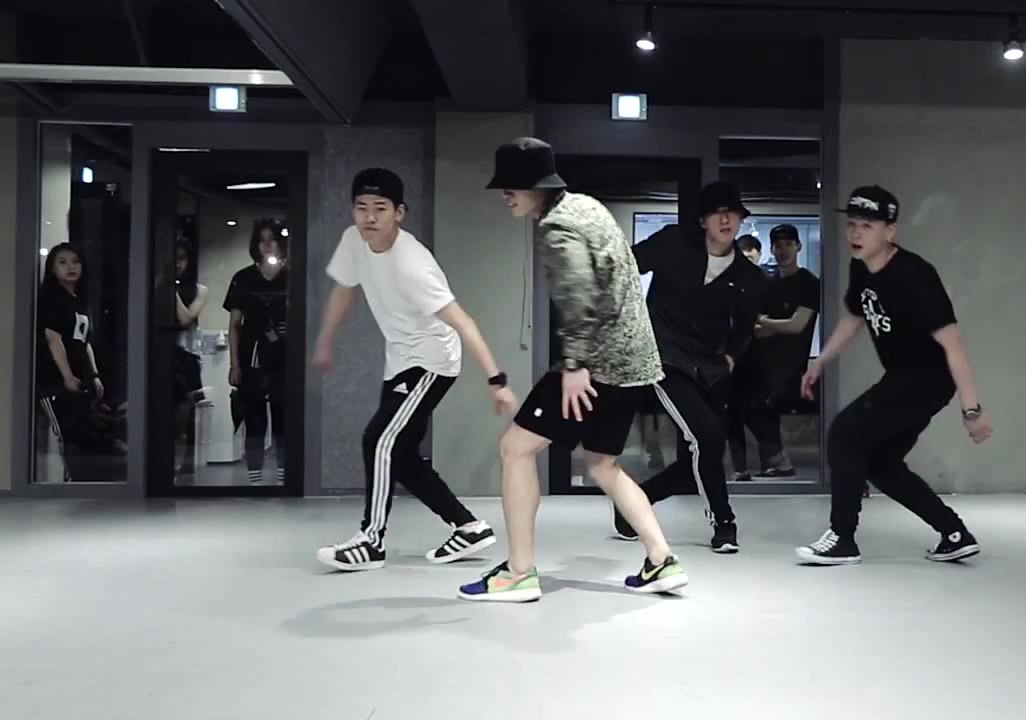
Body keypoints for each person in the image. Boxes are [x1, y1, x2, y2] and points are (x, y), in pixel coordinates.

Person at [458, 137, 687, 602]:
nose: (505, 196)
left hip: (596, 365)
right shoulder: (587, 206)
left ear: (535, 186)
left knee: (515, 449)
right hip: (634, 365)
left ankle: (519, 572)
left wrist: (575, 364)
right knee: (602, 464)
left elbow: (579, 295)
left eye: (511, 187)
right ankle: (661, 559)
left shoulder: (559, 226)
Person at [312, 168, 511, 572]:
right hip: (401, 359)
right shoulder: (354, 240)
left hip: (432, 360)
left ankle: (371, 541)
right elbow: (343, 290)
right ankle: (469, 527)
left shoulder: (413, 265)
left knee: (379, 439)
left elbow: (464, 322)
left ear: (399, 213)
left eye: (380, 208)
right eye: (361, 208)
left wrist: (497, 381)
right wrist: (325, 340)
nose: (369, 217)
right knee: (401, 455)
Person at [795, 185, 992, 565]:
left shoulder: (915, 275)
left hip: (926, 379)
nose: (856, 234)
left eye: (867, 226)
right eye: (852, 224)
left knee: (845, 435)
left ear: (890, 231)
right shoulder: (861, 267)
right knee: (880, 463)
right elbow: (856, 316)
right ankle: (954, 533)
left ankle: (842, 539)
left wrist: (972, 411)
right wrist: (820, 360)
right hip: (904, 377)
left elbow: (954, 344)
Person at [612, 181, 767, 554]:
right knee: (708, 439)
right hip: (664, 358)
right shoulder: (673, 244)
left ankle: (634, 504)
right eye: (717, 213)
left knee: (701, 455)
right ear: (703, 220)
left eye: (733, 214)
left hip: (710, 368)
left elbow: (744, 327)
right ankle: (724, 522)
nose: (726, 220)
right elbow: (624, 267)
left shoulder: (748, 276)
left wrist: (730, 358)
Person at [726, 224, 820, 481]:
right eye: (778, 245)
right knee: (735, 402)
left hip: (790, 365)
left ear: (798, 247)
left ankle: (778, 460)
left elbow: (796, 325)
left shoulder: (809, 283)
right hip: (761, 360)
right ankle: (755, 466)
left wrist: (767, 322)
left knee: (756, 404)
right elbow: (755, 329)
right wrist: (772, 325)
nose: (783, 250)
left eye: (789, 244)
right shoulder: (768, 283)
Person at [224, 220, 289, 485]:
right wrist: (234, 364)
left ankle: (286, 474)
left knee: (285, 416)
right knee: (254, 417)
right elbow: (234, 325)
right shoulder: (243, 278)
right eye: (262, 240)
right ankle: (255, 476)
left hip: (286, 355)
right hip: (252, 354)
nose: (267, 245)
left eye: (272, 239)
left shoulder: (292, 276)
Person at [35, 243, 105, 482]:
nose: (70, 267)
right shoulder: (51, 299)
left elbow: (85, 342)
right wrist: (66, 376)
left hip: (79, 377)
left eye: (75, 261)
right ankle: (68, 483)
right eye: (63, 262)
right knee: (64, 434)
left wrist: (94, 375)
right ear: (52, 268)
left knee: (84, 432)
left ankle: (82, 480)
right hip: (54, 380)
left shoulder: (79, 301)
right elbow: (53, 339)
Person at [173, 237, 209, 479]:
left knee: (186, 417)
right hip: (162, 355)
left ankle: (185, 467)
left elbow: (186, 318)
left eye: (181, 258)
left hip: (186, 357)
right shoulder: (153, 285)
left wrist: (171, 291)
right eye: (173, 259)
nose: (177, 264)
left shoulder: (200, 290)